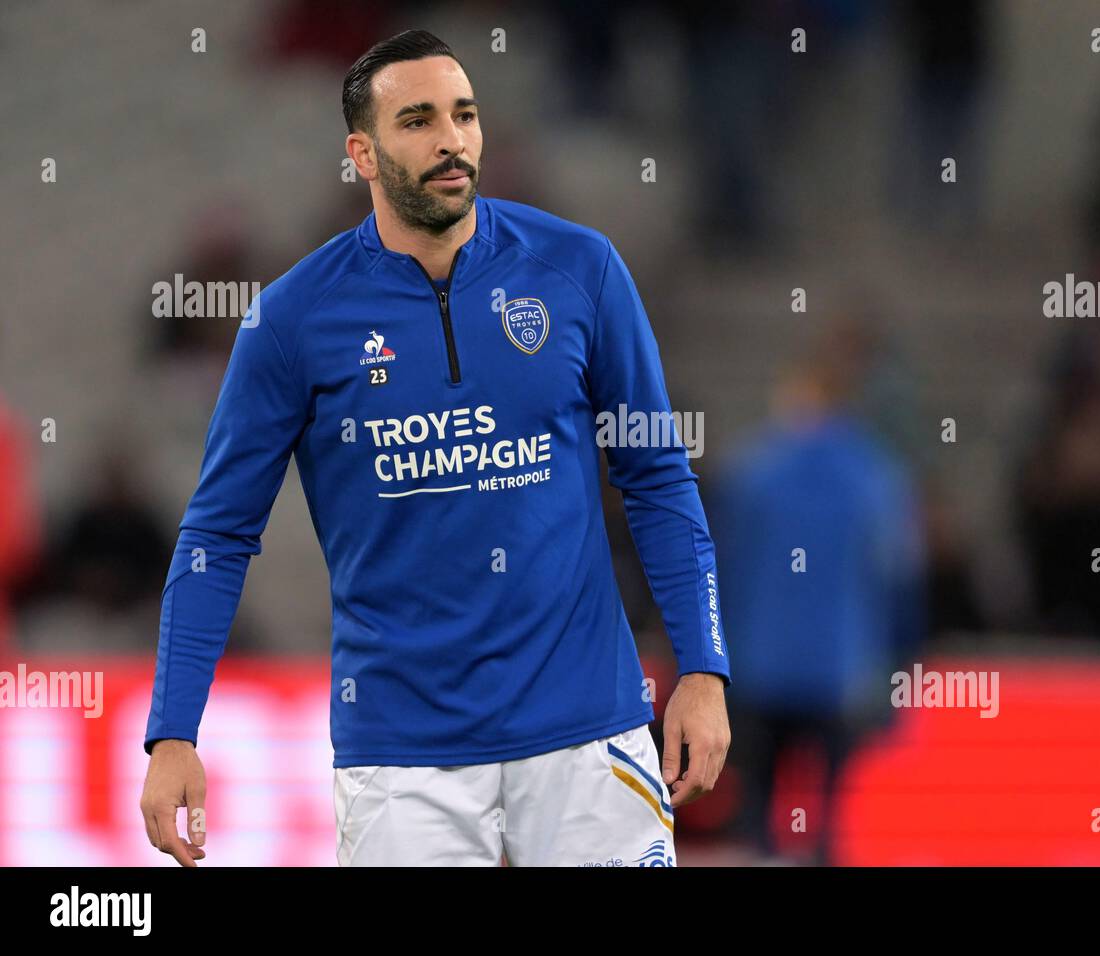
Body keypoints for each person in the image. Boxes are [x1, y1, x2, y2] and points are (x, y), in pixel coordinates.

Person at [139, 30, 731, 867]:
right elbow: (216, 536)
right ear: (363, 155)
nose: (451, 140)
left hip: (587, 736)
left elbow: (658, 477)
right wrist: (173, 731)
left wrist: (703, 670)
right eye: (417, 120)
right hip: (400, 760)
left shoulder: (580, 270)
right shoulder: (292, 321)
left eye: (465, 115)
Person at [712, 343, 925, 865]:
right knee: (829, 818)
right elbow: (898, 578)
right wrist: (901, 664)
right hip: (841, 672)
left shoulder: (751, 471)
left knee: (760, 812)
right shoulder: (878, 478)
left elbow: (718, 572)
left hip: (760, 667)